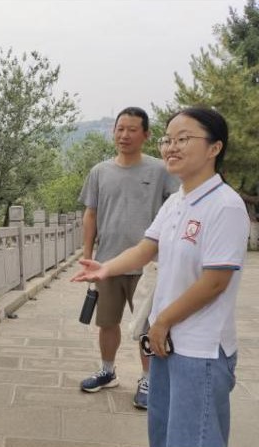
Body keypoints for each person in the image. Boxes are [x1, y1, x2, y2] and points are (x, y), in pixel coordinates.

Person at [73, 107, 248, 447]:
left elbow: (215, 281)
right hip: (166, 343)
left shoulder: (224, 205)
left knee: (193, 438)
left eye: (183, 139)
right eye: (168, 140)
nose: (171, 147)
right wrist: (105, 267)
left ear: (214, 148)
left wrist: (162, 321)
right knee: (165, 434)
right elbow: (146, 247)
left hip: (200, 349)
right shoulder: (178, 201)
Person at [78, 107, 179, 410]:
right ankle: (107, 371)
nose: (124, 135)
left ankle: (148, 379)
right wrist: (87, 255)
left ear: (146, 135)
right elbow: (91, 214)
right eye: (120, 129)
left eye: (132, 130)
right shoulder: (100, 171)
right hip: (107, 264)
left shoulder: (161, 170)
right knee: (107, 322)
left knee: (147, 326)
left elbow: (176, 210)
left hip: (148, 265)